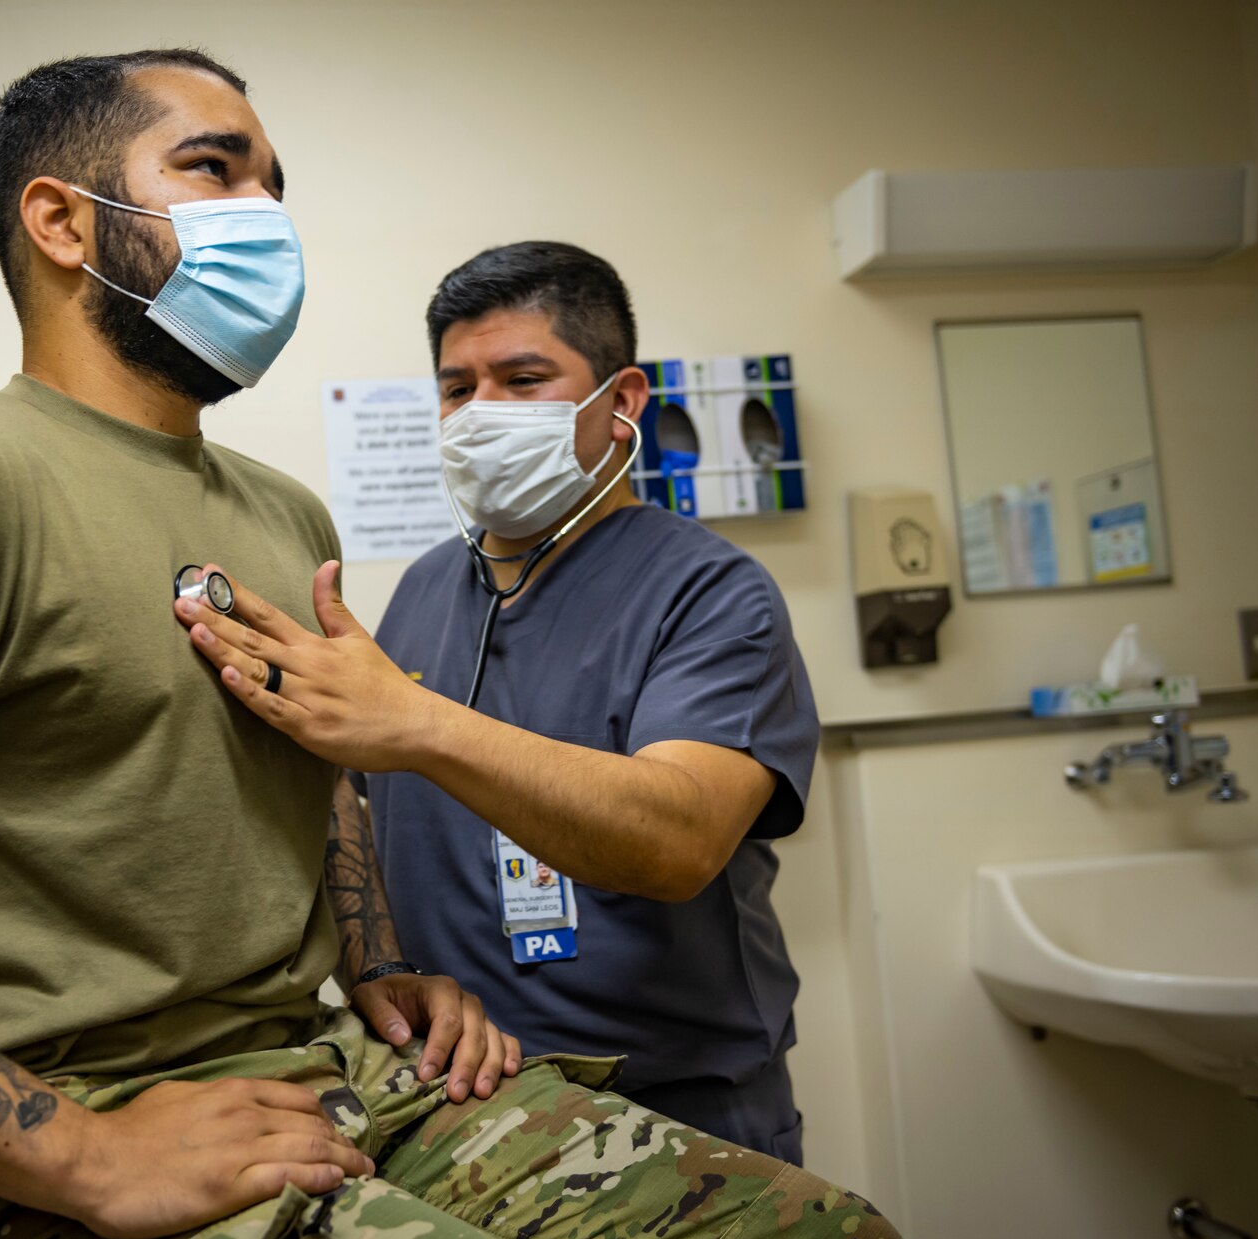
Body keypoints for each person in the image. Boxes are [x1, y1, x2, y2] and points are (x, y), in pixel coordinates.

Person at [0, 51, 942, 1239]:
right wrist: (75, 1150)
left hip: (334, 1078)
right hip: (51, 1143)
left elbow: (317, 779)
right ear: (60, 219)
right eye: (218, 171)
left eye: (276, 186)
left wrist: (381, 965)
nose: (267, 218)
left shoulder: (281, 514)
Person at [175, 242, 817, 1159]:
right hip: (460, 1092)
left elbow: (678, 841)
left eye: (522, 379)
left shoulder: (712, 593)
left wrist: (416, 721)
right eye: (457, 388)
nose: (481, 413)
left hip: (671, 1099)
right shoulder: (430, 586)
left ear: (622, 401)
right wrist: (385, 966)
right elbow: (351, 804)